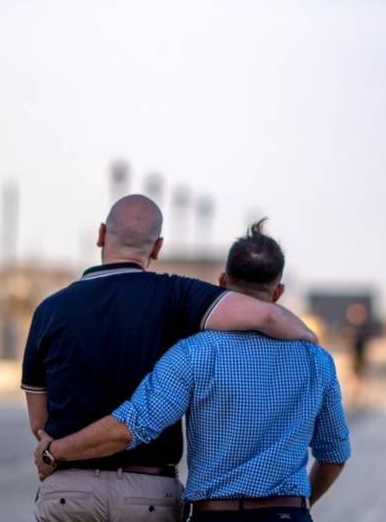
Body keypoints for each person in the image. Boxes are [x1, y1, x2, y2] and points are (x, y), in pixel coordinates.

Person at [22, 198, 318, 522]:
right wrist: (310, 341)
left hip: (69, 491)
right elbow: (265, 315)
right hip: (148, 494)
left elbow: (39, 423)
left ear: (101, 234)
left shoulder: (49, 310)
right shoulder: (175, 295)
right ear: (158, 247)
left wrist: (52, 452)